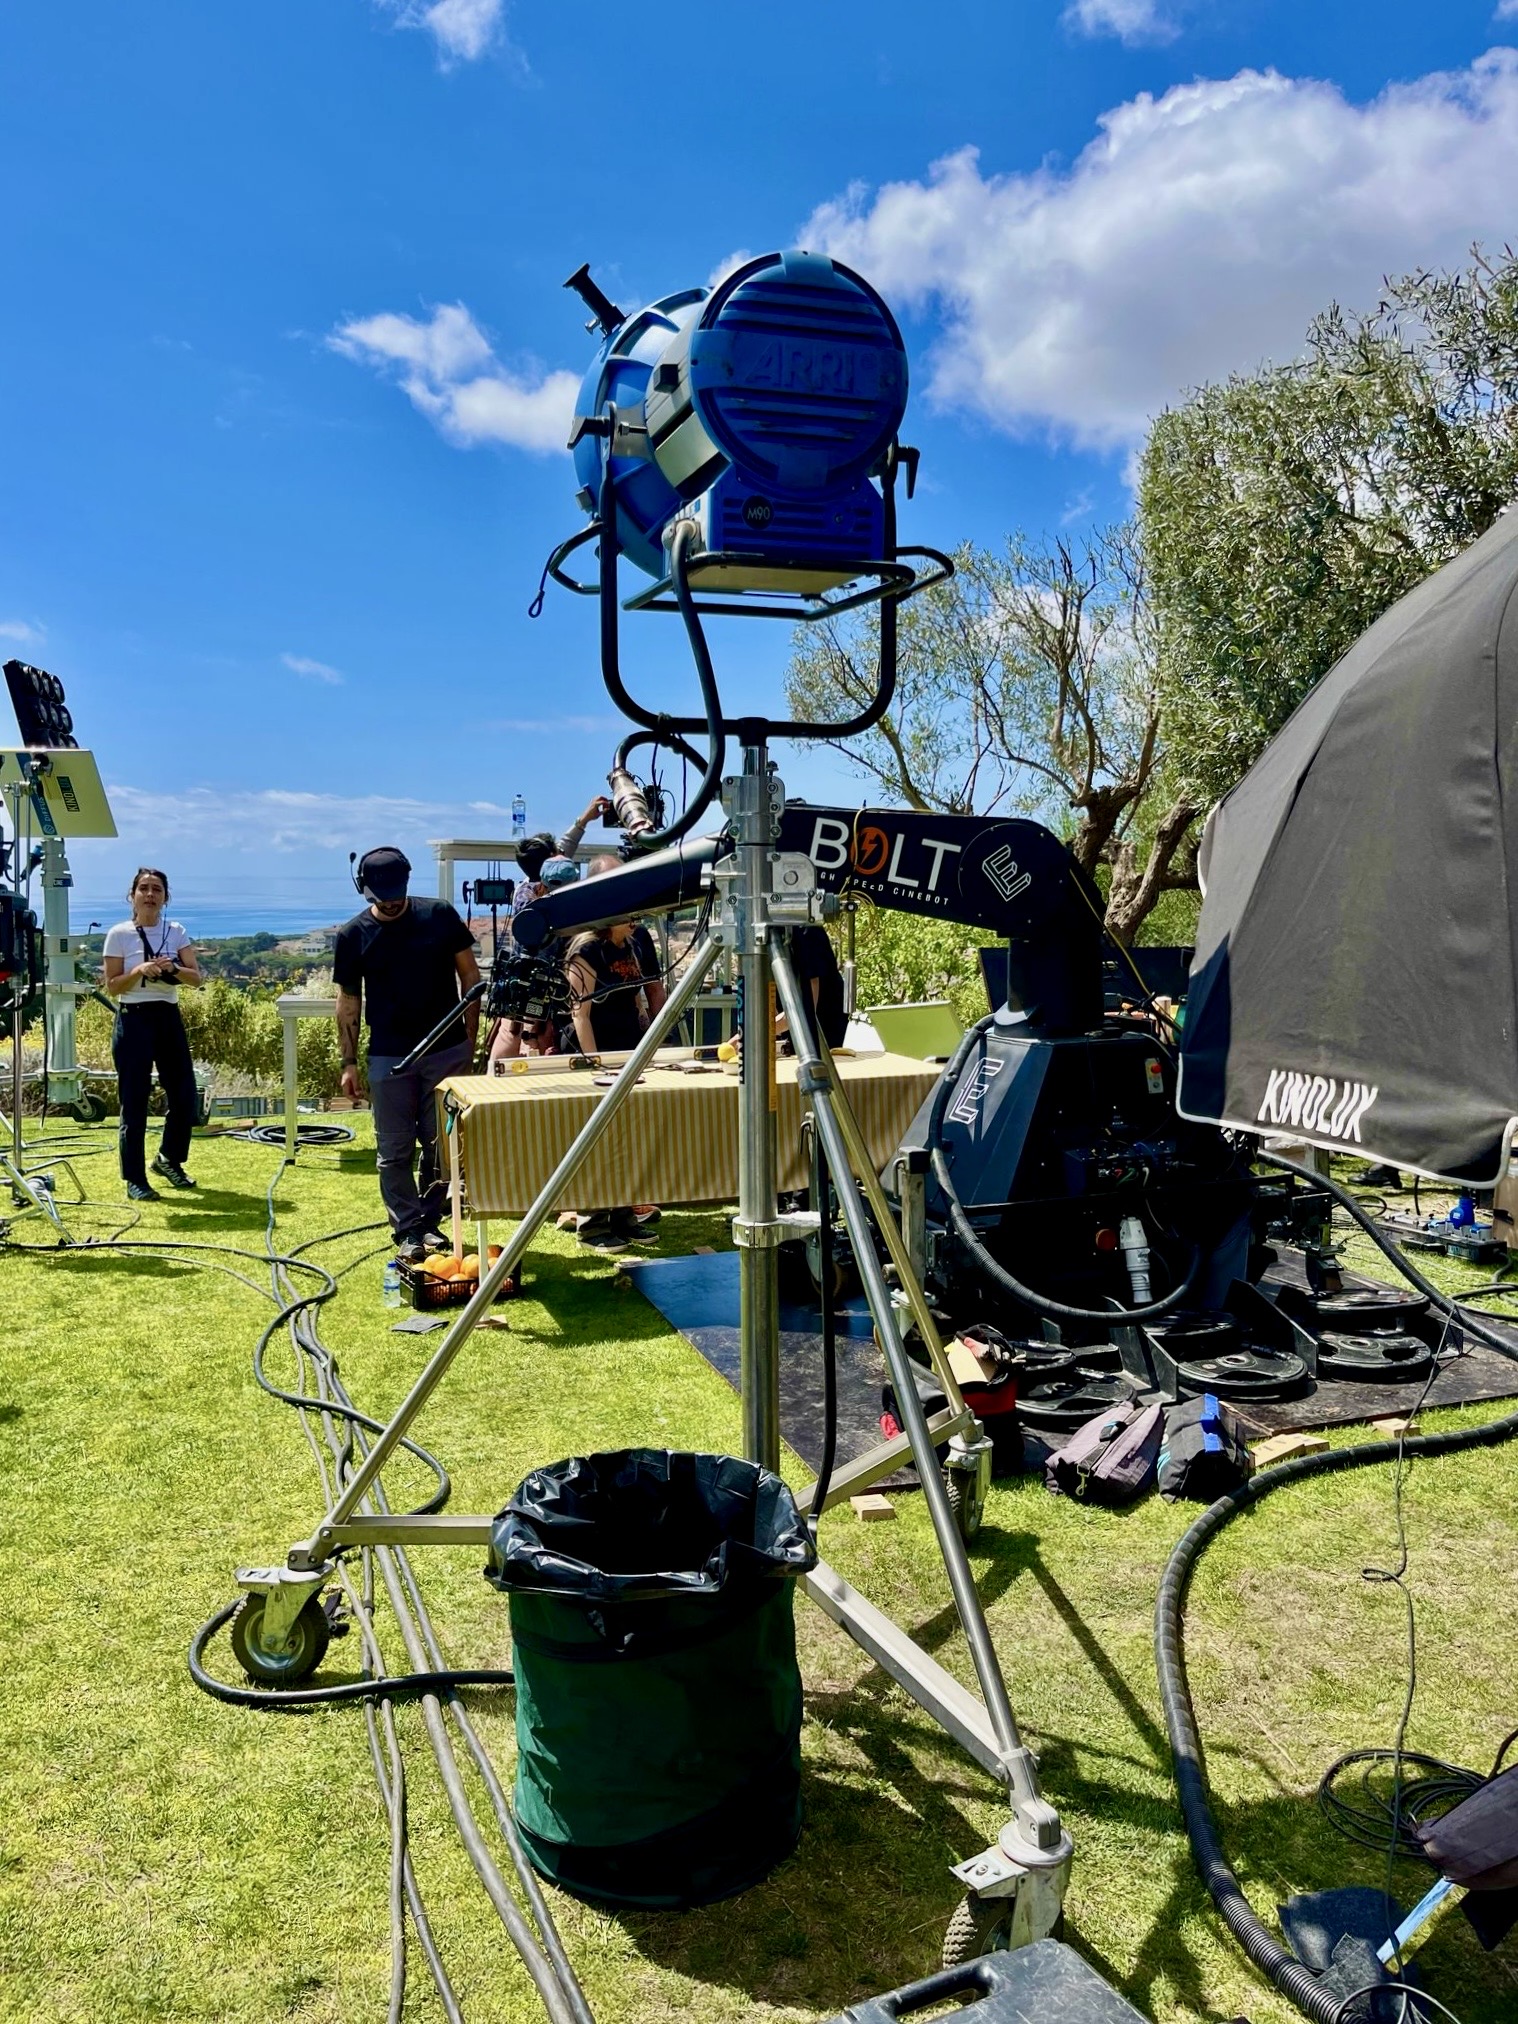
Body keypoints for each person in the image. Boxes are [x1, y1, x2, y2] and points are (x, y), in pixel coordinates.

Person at [334, 846, 481, 1262]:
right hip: (388, 1055)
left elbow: (470, 975)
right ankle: (407, 1228)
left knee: (441, 1146)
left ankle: (429, 1223)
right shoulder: (353, 935)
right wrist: (348, 1063)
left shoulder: (439, 915)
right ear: (364, 889)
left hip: (447, 1050)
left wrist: (469, 1041)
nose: (392, 902)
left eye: (397, 893)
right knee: (394, 1149)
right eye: (383, 896)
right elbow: (348, 1002)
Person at [562, 857, 668, 1247]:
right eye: (628, 914)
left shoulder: (635, 942)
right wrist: (593, 1063)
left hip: (627, 1047)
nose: (635, 919)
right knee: (596, 1138)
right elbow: (580, 1013)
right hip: (596, 1049)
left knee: (628, 1134)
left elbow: (647, 992)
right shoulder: (586, 948)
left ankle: (623, 1215)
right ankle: (592, 1223)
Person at [102, 868, 203, 1200]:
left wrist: (173, 968)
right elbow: (113, 986)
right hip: (133, 1019)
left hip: (167, 1017)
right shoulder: (119, 934)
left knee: (185, 1095)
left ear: (165, 897)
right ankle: (135, 1179)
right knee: (134, 1101)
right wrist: (139, 971)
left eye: (156, 889)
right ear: (132, 895)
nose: (149, 894)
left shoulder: (176, 932)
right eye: (143, 888)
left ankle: (168, 1159)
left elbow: (196, 979)